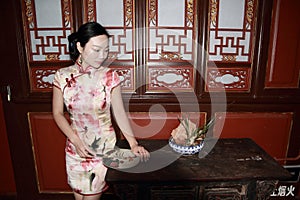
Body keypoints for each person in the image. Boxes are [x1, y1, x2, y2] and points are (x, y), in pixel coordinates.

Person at [52, 22, 150, 200]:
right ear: (80, 47)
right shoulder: (62, 76)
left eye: (106, 50)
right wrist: (75, 140)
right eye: (96, 50)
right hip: (75, 150)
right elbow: (57, 113)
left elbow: (119, 112)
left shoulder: (109, 76)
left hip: (102, 150)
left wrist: (133, 143)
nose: (102, 56)